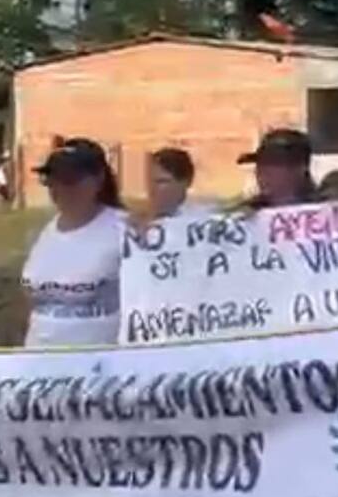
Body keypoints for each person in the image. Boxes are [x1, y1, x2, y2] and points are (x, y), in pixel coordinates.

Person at [22, 139, 125, 347]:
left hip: (98, 363)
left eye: (70, 180)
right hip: (39, 361)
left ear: (98, 179)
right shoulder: (46, 232)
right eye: (52, 179)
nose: (60, 188)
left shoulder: (124, 229)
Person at [237, 128, 317, 208]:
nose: (262, 172)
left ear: (301, 168)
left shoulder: (324, 210)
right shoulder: (245, 215)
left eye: (271, 165)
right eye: (260, 164)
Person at [145, 147, 207, 219]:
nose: (151, 188)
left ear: (185, 182)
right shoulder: (133, 221)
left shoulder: (203, 221)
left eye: (161, 182)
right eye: (148, 181)